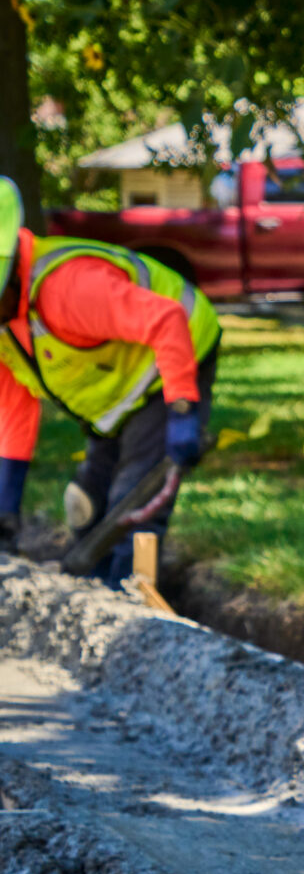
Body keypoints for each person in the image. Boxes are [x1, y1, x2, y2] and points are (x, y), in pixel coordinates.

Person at [0, 176, 221, 578]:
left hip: (170, 361)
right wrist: (6, 500)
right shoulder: (7, 323)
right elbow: (15, 406)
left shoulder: (69, 288)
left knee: (131, 504)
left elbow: (167, 320)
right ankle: (94, 591)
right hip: (115, 395)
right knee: (84, 506)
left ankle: (136, 610)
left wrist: (183, 409)